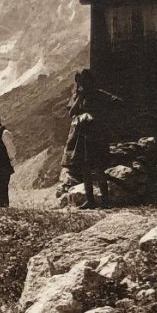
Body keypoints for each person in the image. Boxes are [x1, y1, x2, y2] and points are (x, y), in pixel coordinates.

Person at [65, 68, 116, 208]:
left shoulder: (99, 94)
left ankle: (105, 201)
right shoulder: (79, 96)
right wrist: (80, 98)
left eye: (84, 81)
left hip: (97, 135)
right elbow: (71, 113)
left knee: (99, 168)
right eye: (80, 82)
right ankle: (90, 200)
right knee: (85, 168)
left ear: (90, 81)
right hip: (83, 135)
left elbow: (116, 102)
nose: (82, 84)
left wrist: (100, 116)